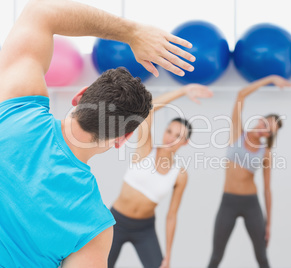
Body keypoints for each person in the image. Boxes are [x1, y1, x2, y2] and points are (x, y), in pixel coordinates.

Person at [0, 0, 196, 267]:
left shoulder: (16, 104)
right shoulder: (94, 229)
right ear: (121, 139)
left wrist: (132, 32)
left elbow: (40, 10)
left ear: (79, 96)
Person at [108, 84, 212, 268]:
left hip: (144, 229)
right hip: (116, 223)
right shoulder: (145, 149)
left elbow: (172, 215)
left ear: (185, 143)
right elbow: (149, 109)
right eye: (169, 131)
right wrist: (183, 90)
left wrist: (168, 256)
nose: (171, 138)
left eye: (178, 136)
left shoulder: (179, 175)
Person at [207, 75, 291, 268]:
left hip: (251, 204)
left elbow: (267, 189)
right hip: (228, 201)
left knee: (261, 256)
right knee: (216, 256)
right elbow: (241, 95)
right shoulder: (238, 133)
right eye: (265, 124)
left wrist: (269, 222)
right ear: (260, 120)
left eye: (269, 131)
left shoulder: (265, 152)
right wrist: (270, 79)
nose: (264, 131)